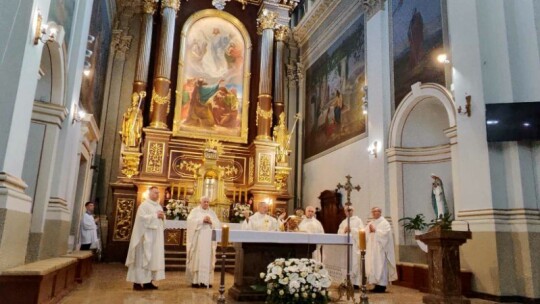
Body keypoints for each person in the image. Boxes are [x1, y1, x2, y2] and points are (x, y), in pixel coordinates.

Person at [125, 186, 165, 291]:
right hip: (144, 237)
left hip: (155, 237)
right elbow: (141, 220)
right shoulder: (144, 205)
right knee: (141, 259)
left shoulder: (159, 206)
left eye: (158, 193)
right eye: (155, 193)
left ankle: (148, 282)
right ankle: (137, 283)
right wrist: (155, 216)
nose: (157, 195)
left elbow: (161, 222)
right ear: (150, 194)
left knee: (152, 259)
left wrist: (162, 217)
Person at [186, 196, 221, 288]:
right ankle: (196, 281)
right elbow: (190, 221)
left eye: (207, 202)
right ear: (200, 202)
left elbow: (217, 223)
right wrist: (202, 220)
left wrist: (211, 222)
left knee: (208, 259)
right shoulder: (195, 211)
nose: (206, 203)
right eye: (204, 202)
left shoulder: (212, 212)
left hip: (209, 240)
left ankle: (206, 281)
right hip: (198, 239)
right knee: (197, 259)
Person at [365, 207, 397, 293]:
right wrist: (369, 231)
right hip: (372, 249)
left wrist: (375, 230)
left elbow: (385, 234)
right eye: (373, 211)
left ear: (380, 212)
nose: (375, 213)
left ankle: (382, 286)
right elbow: (365, 234)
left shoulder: (384, 223)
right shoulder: (370, 223)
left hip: (380, 250)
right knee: (373, 266)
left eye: (377, 211)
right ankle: (376, 285)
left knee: (380, 266)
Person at [337, 207, 364, 287]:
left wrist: (352, 229)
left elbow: (361, 231)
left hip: (354, 246)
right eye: (346, 211)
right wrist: (344, 231)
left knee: (354, 263)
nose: (348, 212)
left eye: (350, 210)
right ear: (344, 212)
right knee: (345, 263)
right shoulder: (343, 222)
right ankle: (346, 282)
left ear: (353, 211)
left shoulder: (358, 220)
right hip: (345, 247)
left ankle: (355, 283)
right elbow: (339, 232)